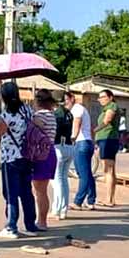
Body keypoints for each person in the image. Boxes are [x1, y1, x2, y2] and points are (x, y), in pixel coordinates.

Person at [0, 82, 41, 238]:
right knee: (26, 192)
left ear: (4, 96)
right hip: (27, 156)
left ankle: (11, 226)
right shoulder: (27, 110)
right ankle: (30, 225)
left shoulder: (7, 115)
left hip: (11, 158)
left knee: (10, 193)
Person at [31, 89, 58, 229]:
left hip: (41, 153)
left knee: (39, 191)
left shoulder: (40, 115)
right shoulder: (51, 115)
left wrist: (30, 118)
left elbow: (37, 127)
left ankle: (41, 222)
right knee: (42, 190)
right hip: (50, 151)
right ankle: (42, 220)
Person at [67, 91, 96, 210]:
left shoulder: (77, 109)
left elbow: (76, 124)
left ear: (72, 98)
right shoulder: (80, 109)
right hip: (86, 142)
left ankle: (78, 201)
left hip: (81, 143)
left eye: (66, 100)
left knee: (83, 174)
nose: (65, 103)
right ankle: (91, 200)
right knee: (87, 173)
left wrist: (72, 138)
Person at [93, 89, 121, 207]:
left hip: (108, 139)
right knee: (110, 170)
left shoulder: (112, 106)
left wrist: (93, 131)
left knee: (108, 170)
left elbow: (107, 120)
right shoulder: (106, 108)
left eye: (103, 97)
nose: (101, 99)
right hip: (106, 139)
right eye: (99, 97)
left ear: (110, 97)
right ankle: (111, 199)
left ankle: (109, 199)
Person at [51, 92, 75, 220]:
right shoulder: (69, 114)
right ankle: (64, 209)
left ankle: (57, 210)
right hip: (69, 146)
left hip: (59, 147)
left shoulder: (57, 114)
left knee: (57, 180)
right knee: (64, 180)